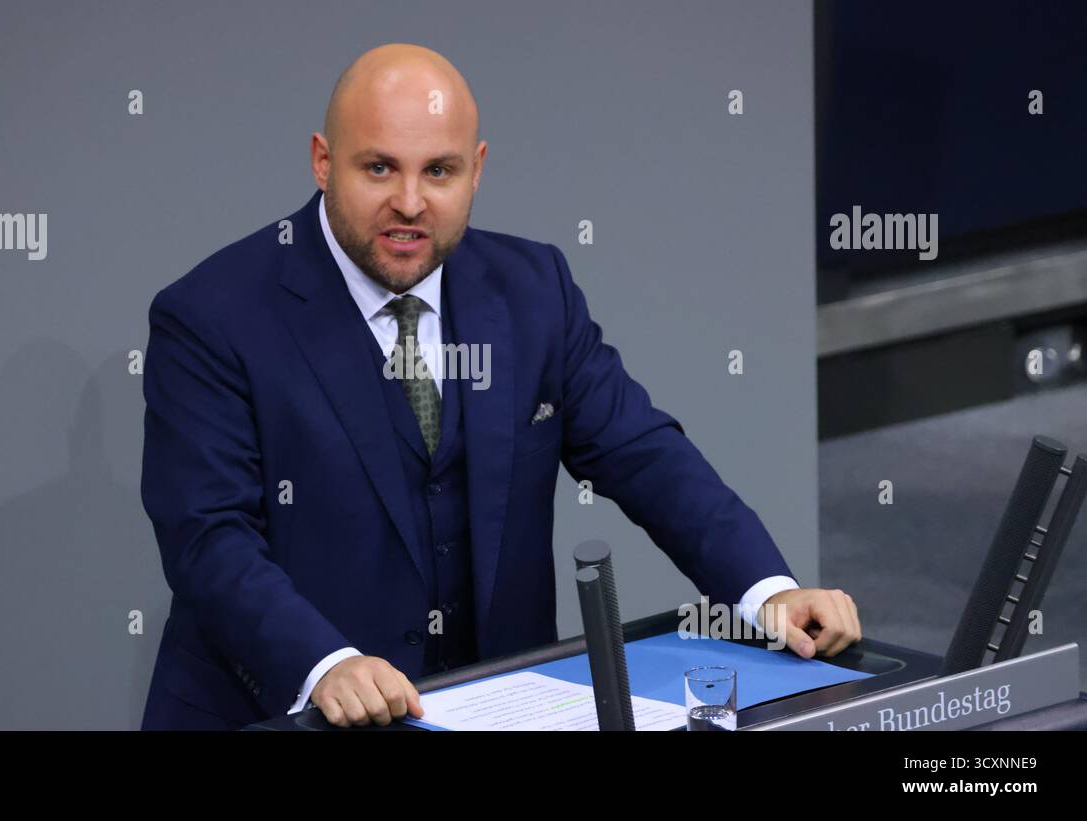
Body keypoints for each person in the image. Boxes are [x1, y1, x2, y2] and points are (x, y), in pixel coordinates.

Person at [139, 43, 861, 731]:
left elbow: (642, 452)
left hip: (488, 707)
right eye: (381, 168)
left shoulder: (533, 289)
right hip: (282, 713)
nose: (411, 203)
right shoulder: (213, 315)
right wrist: (325, 663)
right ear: (323, 162)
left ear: (477, 170)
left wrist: (767, 589)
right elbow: (209, 537)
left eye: (440, 172)